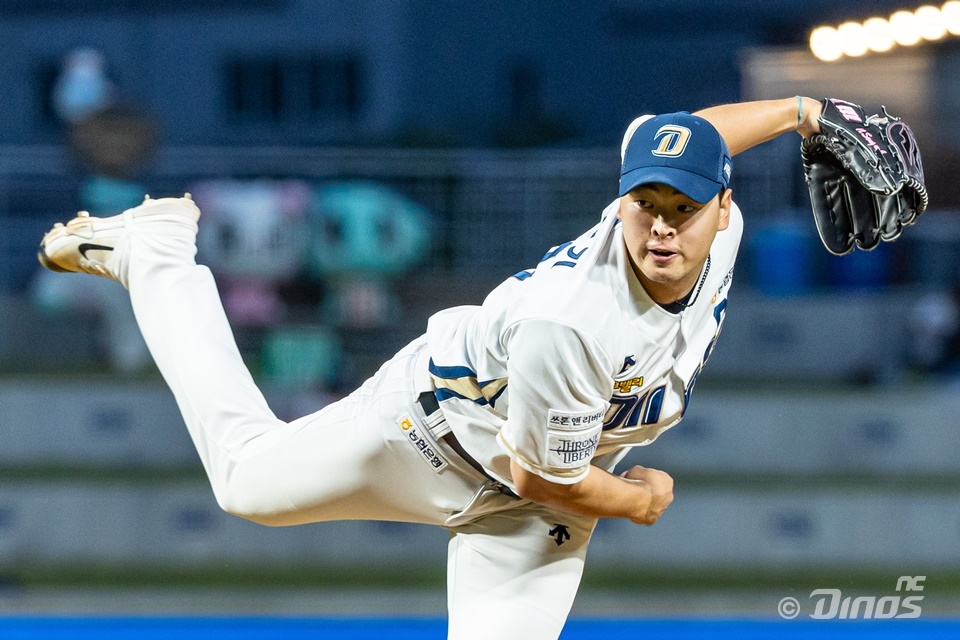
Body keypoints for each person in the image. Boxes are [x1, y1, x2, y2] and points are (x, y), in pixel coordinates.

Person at [38, 96, 824, 639]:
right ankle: (156, 251)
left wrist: (802, 113)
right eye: (644, 201)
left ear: (724, 207)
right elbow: (542, 474)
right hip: (428, 433)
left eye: (683, 206)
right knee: (244, 481)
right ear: (621, 201)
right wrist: (639, 500)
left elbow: (690, 133)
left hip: (526, 511)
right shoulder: (572, 323)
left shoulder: (718, 230)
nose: (660, 224)